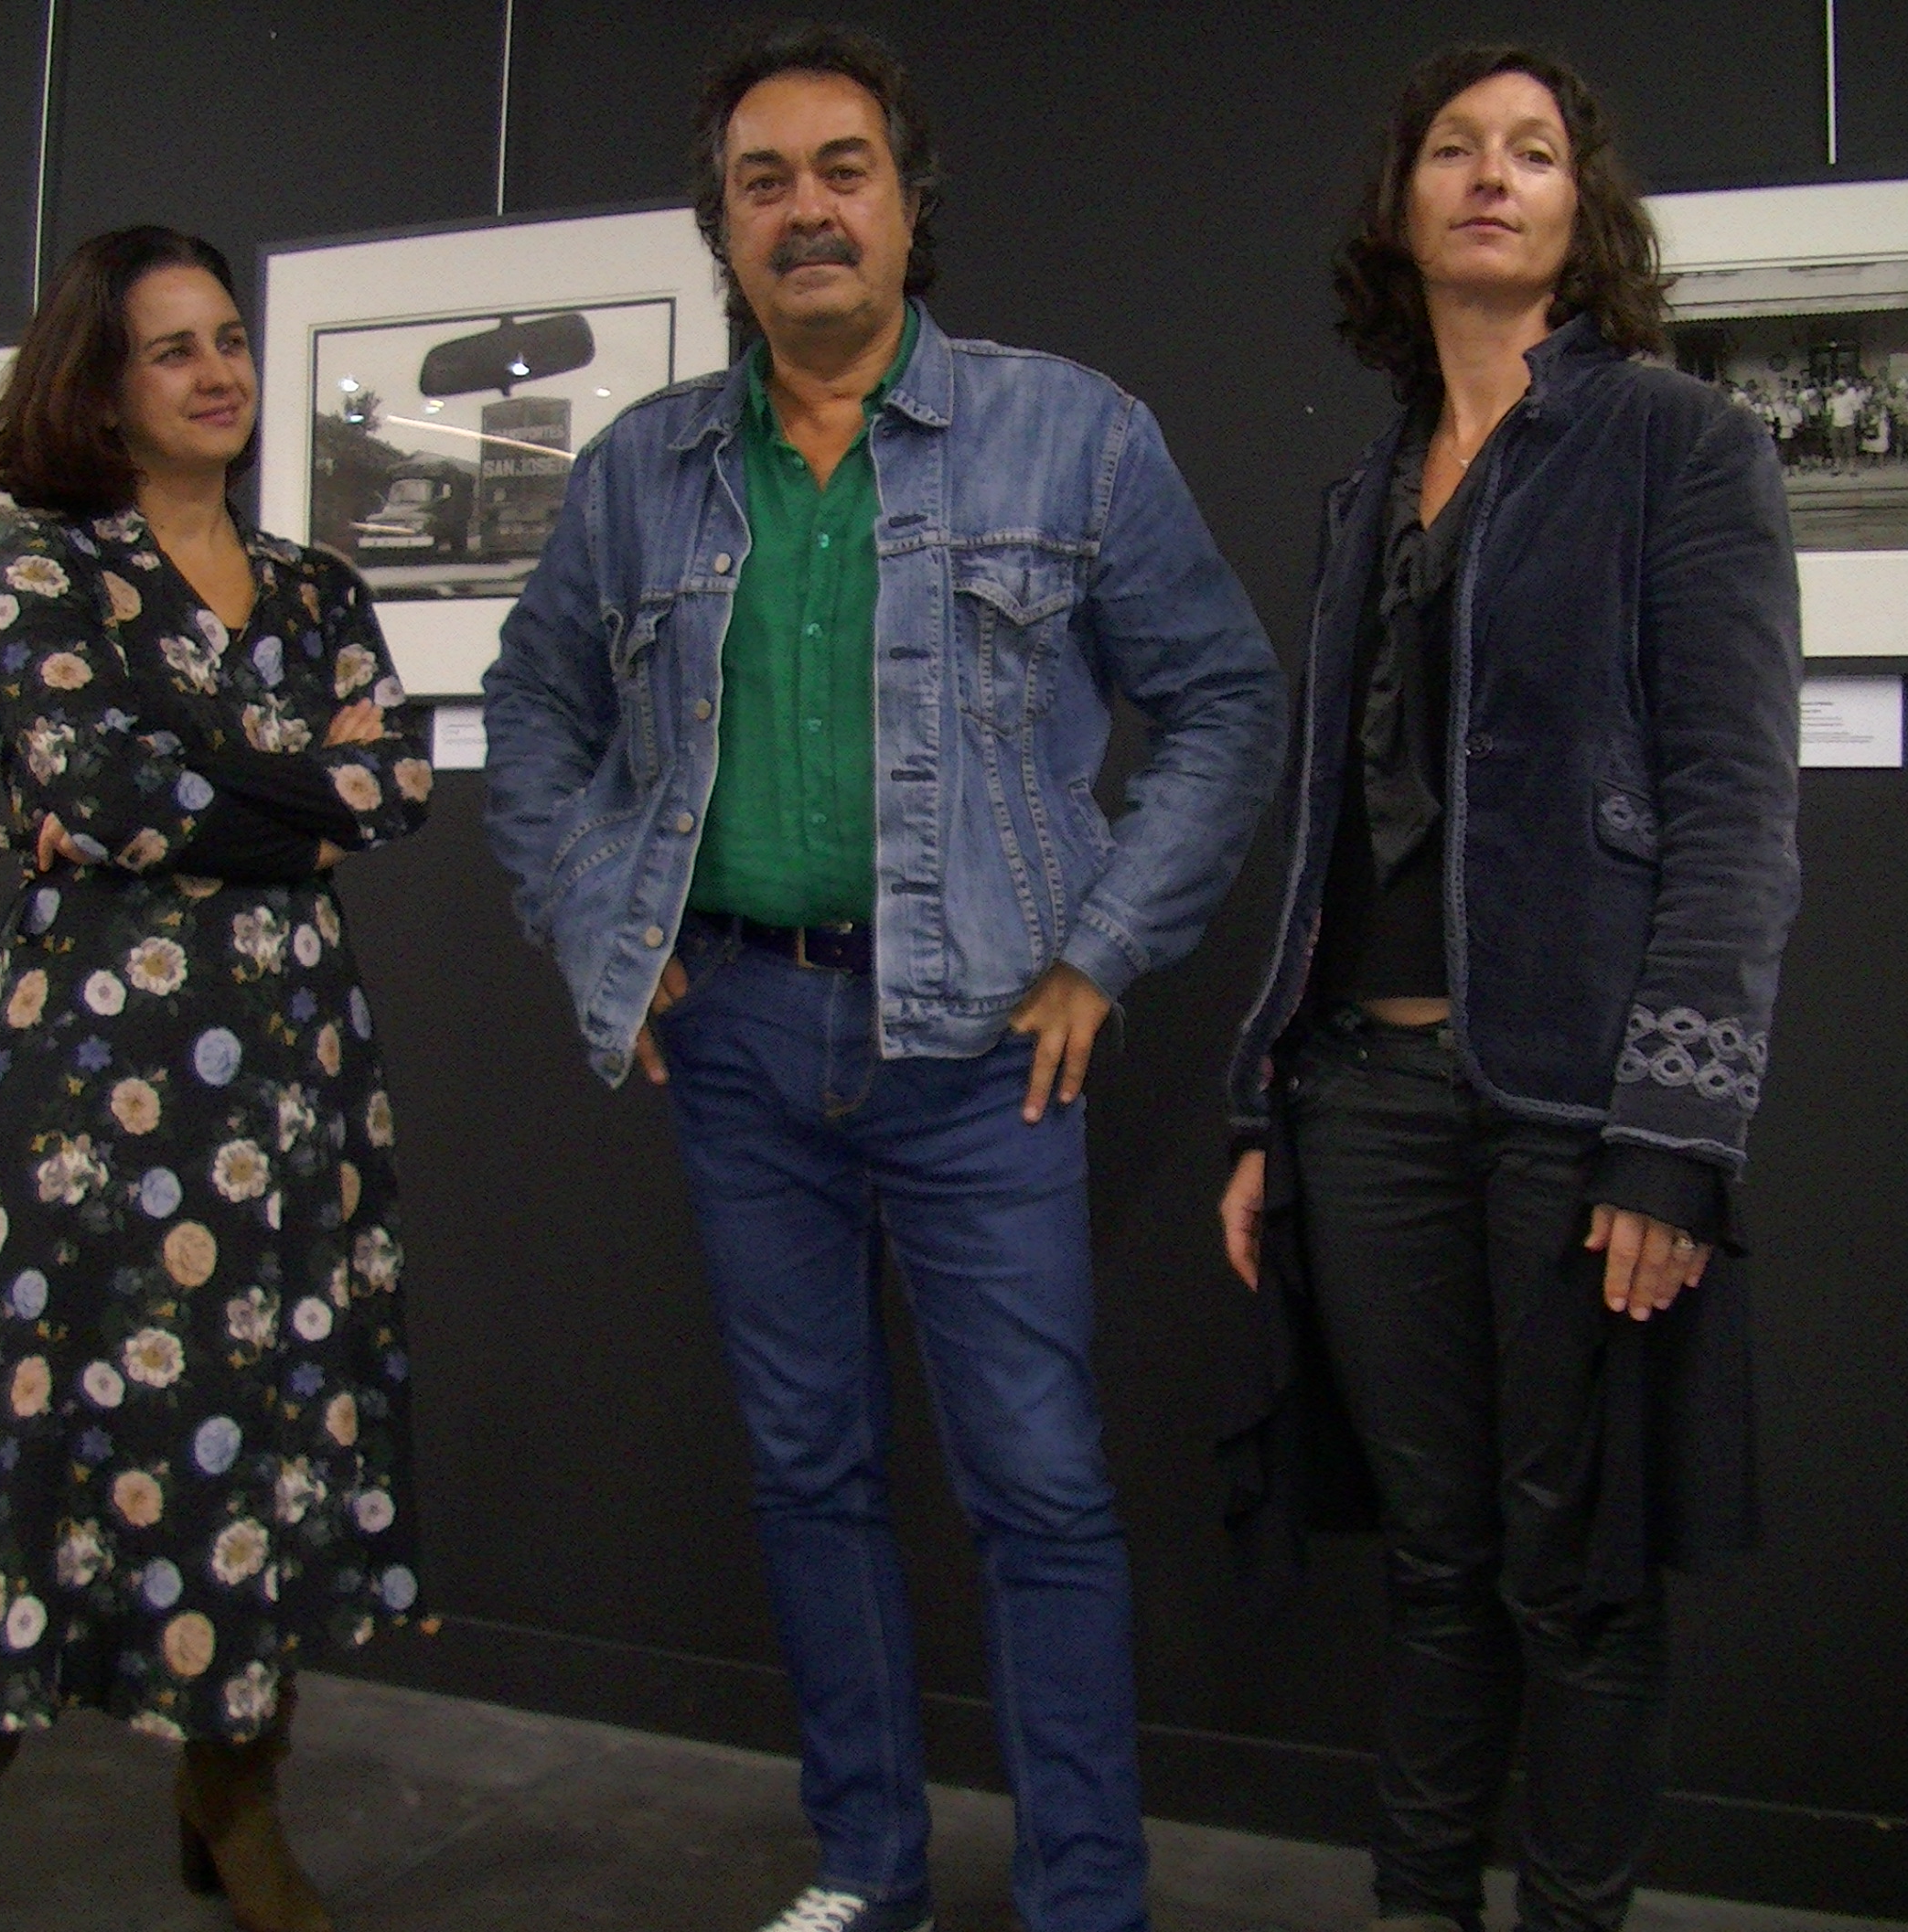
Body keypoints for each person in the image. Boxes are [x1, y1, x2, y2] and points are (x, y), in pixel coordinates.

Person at [481, 25, 1283, 1932]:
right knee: (809, 1474)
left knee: (1038, 1490)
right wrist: (609, 919)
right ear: (721, 233)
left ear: (913, 208)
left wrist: (1106, 945)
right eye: (762, 181)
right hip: (742, 1047)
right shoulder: (638, 473)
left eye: (843, 169)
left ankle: (1082, 1895)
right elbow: (529, 712)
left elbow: (1227, 705)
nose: (806, 208)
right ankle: (866, 1869)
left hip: (980, 1055)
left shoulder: (1067, 433)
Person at [1215, 45, 1800, 1932]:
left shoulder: (1673, 446)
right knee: (1434, 1565)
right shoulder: (1362, 494)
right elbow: (1325, 827)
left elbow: (1733, 812)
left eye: (1530, 151)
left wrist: (1678, 1136)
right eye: (1452, 148)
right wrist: (1261, 1100)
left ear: (1579, 210)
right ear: (1401, 203)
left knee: (1578, 1579)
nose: (1488, 174)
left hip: (1572, 1109)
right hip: (1364, 1100)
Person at [0, 226, 437, 1932]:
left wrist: (190, 778)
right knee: (29, 1444)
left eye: (228, 341)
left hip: (288, 1088)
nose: (218, 373)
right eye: (172, 349)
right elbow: (88, 778)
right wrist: (284, 794)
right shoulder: (52, 570)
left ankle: (233, 1812)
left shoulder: (323, 584)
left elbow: (396, 785)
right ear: (103, 390)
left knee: (264, 1428)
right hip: (88, 1095)